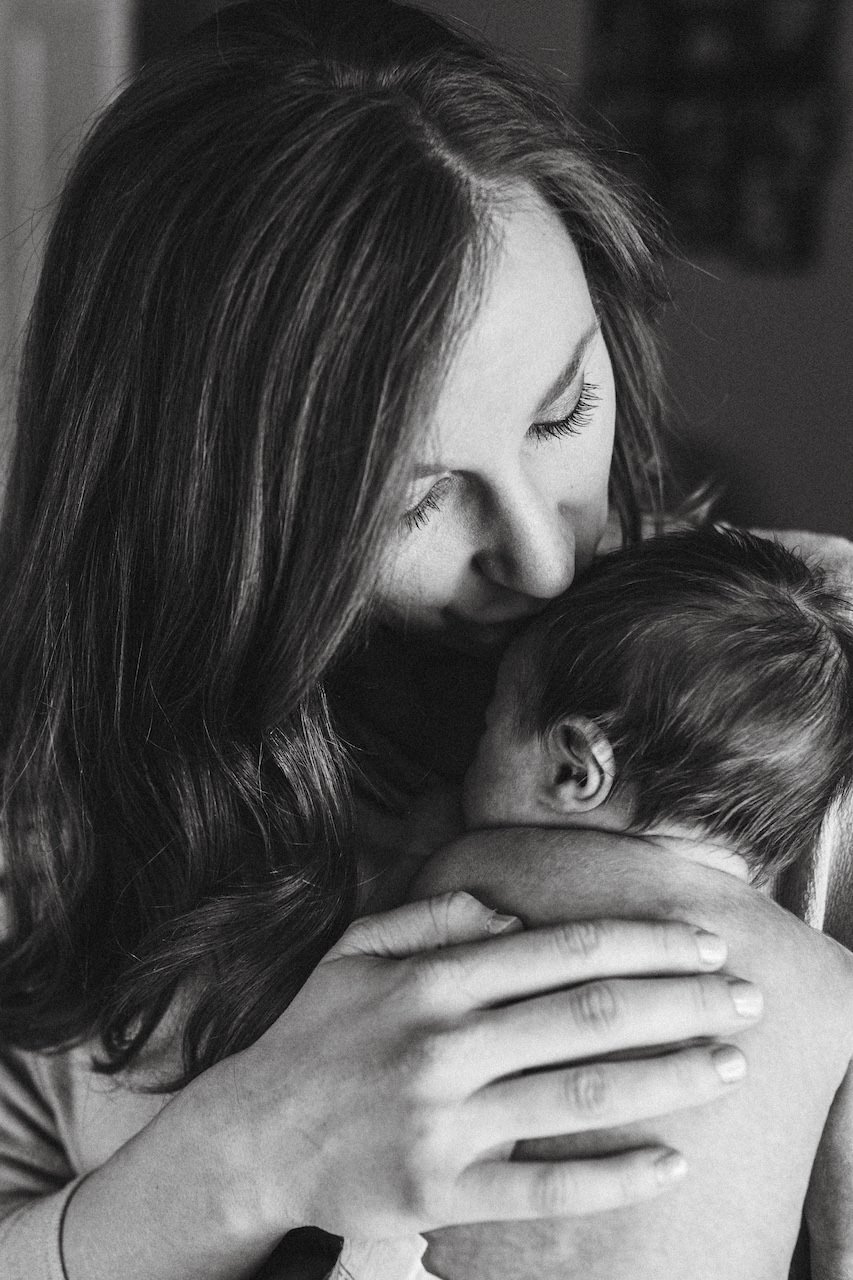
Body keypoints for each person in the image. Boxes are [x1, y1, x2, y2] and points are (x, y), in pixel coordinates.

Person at [0, 4, 846, 1279]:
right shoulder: (50, 831)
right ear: (209, 523)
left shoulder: (818, 678)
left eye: (563, 409)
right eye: (408, 499)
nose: (548, 558)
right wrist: (239, 1156)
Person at [345, 526, 853, 1279]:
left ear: (576, 769)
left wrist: (422, 841)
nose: (471, 752)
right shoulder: (832, 981)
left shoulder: (484, 867)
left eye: (490, 723)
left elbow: (352, 1010)